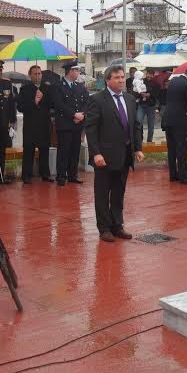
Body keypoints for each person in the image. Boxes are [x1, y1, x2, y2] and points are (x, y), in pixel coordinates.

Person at [85, 65, 144, 242]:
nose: (120, 80)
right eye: (116, 77)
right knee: (103, 193)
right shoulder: (97, 100)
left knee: (119, 192)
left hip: (125, 154)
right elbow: (91, 129)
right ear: (108, 80)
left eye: (122, 77)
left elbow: (136, 126)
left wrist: (138, 148)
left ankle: (117, 225)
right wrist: (96, 153)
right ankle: (104, 229)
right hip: (104, 156)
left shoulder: (130, 99)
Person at [52, 61, 89, 186]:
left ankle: (73, 175)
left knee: (75, 151)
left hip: (77, 124)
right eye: (77, 70)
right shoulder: (58, 86)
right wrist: (74, 115)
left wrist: (81, 115)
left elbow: (86, 102)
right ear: (71, 71)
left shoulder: (80, 86)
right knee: (64, 151)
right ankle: (61, 176)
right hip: (65, 124)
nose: (78, 73)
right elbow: (59, 104)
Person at [17, 65, 54, 184]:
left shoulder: (47, 88)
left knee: (44, 150)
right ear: (30, 75)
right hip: (30, 125)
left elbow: (52, 105)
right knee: (28, 150)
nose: (37, 76)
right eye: (35, 74)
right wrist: (35, 102)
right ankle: (26, 175)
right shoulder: (24, 89)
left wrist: (43, 99)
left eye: (39, 74)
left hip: (44, 124)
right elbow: (20, 107)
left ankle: (45, 174)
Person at [164, 66, 187, 185]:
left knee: (171, 149)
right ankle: (184, 176)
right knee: (181, 148)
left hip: (167, 119)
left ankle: (173, 175)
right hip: (179, 120)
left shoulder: (173, 81)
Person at [135, 69, 159, 143]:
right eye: (148, 74)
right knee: (138, 122)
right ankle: (139, 141)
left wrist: (150, 94)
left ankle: (149, 142)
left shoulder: (156, 83)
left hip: (151, 106)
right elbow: (136, 90)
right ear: (146, 74)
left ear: (153, 75)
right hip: (141, 104)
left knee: (151, 126)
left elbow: (157, 94)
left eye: (151, 74)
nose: (149, 76)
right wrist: (141, 93)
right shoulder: (141, 81)